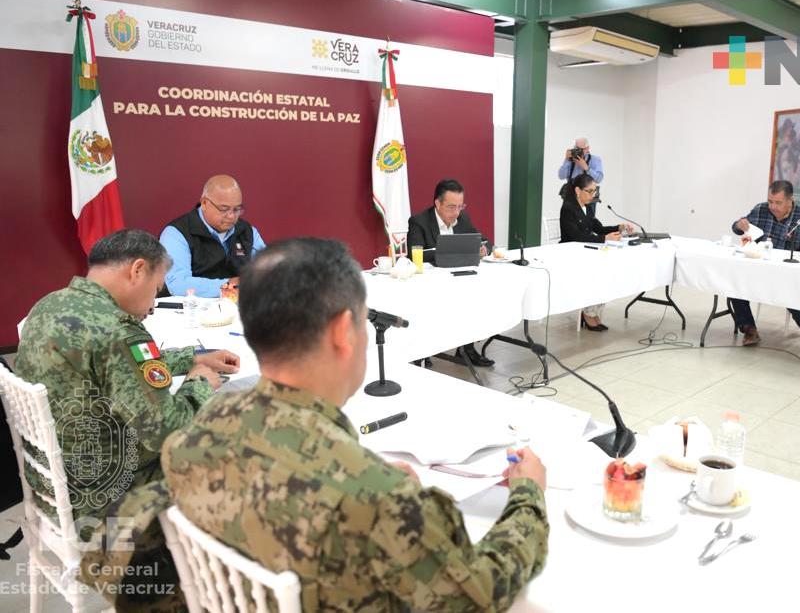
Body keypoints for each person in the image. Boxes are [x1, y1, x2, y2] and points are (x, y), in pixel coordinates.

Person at [160, 238, 550, 611]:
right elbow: (479, 594)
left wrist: (378, 482)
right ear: (342, 331)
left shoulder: (194, 433)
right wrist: (528, 495)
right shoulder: (378, 499)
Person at [15, 229, 239, 538]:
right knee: (232, 449)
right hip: (105, 498)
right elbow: (165, 431)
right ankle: (206, 558)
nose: (153, 302)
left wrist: (191, 357)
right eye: (156, 288)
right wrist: (198, 383)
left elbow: (116, 365)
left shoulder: (50, 305)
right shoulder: (119, 331)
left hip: (54, 483)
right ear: (137, 270)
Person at [730, 180, 800, 345]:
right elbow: (737, 228)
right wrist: (739, 224)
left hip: (787, 271)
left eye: (778, 203)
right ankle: (749, 329)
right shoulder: (760, 209)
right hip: (759, 267)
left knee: (789, 288)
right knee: (734, 283)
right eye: (770, 201)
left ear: (790, 200)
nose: (772, 206)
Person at [407, 178, 494, 366]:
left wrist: (483, 248)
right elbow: (415, 255)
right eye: (451, 207)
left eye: (460, 207)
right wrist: (450, 250)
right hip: (430, 286)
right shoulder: (419, 221)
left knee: (478, 295)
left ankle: (466, 349)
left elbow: (486, 241)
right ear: (437, 203)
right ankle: (422, 352)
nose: (456, 213)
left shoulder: (462, 218)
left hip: (458, 280)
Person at [160, 174, 265, 297]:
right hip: (192, 307)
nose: (231, 216)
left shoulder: (247, 231)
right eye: (224, 209)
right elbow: (177, 284)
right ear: (204, 203)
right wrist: (229, 285)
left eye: (237, 209)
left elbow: (267, 270)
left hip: (238, 305)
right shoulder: (176, 233)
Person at [560, 173, 631, 331]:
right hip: (570, 253)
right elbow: (576, 237)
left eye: (595, 191)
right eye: (590, 191)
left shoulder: (588, 208)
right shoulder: (568, 208)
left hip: (585, 251)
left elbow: (598, 228)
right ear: (578, 191)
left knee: (606, 271)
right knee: (596, 272)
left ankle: (592, 311)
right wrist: (604, 238)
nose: (593, 195)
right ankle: (588, 312)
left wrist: (619, 228)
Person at [559, 137, 603, 219]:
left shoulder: (595, 160)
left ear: (587, 148)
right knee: (569, 220)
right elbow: (561, 176)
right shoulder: (570, 160)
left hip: (588, 195)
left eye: (580, 149)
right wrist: (567, 159)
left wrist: (586, 168)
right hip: (571, 194)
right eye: (576, 148)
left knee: (588, 221)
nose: (578, 151)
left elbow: (599, 179)